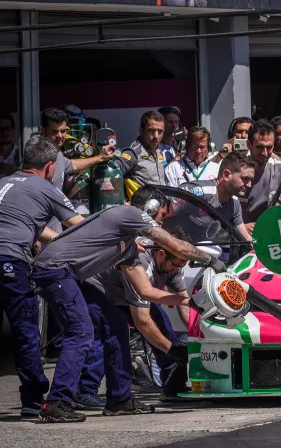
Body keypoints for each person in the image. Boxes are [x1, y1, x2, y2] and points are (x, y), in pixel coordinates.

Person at [31, 185, 226, 422]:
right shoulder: (129, 214)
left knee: (116, 326)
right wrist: (209, 259)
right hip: (55, 269)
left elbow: (145, 290)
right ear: (151, 209)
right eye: (162, 216)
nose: (161, 224)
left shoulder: (129, 245)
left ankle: (119, 400)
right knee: (81, 331)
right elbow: (176, 245)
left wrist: (186, 300)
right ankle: (57, 402)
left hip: (70, 275)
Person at [0, 137, 84, 418]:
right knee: (25, 331)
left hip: (6, 255)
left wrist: (55, 238)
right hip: (10, 262)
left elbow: (27, 225)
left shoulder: (4, 182)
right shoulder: (46, 188)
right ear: (49, 166)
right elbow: (79, 226)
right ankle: (33, 399)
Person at [81, 228, 193, 401]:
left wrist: (198, 332)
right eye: (176, 265)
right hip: (101, 292)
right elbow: (142, 321)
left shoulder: (174, 263)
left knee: (165, 331)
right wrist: (172, 350)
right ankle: (85, 391)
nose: (177, 270)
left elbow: (184, 302)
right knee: (106, 337)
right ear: (162, 254)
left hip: (129, 295)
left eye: (182, 265)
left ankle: (173, 386)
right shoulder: (140, 261)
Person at [177, 152, 255, 242]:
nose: (249, 185)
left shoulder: (234, 203)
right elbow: (164, 213)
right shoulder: (199, 192)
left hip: (205, 252)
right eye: (245, 178)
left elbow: (245, 238)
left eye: (251, 180)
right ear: (226, 175)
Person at [112, 110, 168, 200]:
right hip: (140, 210)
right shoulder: (133, 152)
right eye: (151, 131)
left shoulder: (158, 151)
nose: (156, 136)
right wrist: (121, 201)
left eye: (160, 131)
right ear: (141, 130)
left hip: (158, 207)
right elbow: (110, 173)